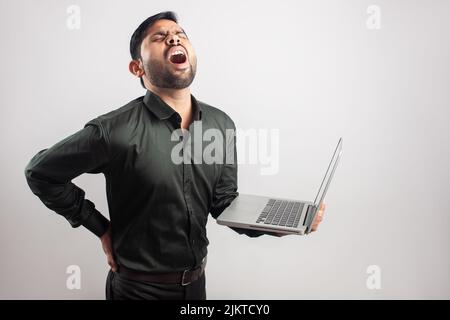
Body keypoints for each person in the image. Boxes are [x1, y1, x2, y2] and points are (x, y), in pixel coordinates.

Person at [24, 11, 325, 300]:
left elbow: (224, 204)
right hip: (136, 290)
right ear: (137, 68)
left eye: (180, 34)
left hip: (196, 287)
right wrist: (100, 227)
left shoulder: (221, 125)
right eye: (159, 37)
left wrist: (281, 224)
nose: (173, 38)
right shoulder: (113, 131)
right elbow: (40, 172)